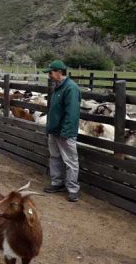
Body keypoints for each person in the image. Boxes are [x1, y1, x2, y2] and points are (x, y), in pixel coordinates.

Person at [42, 60, 81, 202]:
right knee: (55, 157)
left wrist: (67, 131)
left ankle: (72, 189)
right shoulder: (58, 87)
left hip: (64, 132)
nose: (49, 76)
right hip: (54, 130)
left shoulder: (71, 88)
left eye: (51, 73)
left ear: (59, 72)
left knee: (70, 160)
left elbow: (72, 112)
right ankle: (57, 182)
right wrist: (50, 127)